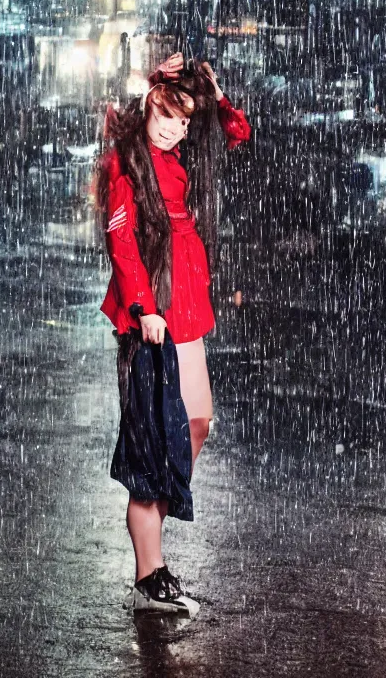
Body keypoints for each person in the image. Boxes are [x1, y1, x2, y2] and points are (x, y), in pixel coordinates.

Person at [98, 52, 251, 615]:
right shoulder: (127, 161)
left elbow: (237, 130)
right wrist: (143, 306)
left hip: (188, 298)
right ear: (147, 105)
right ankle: (149, 568)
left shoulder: (184, 154)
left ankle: (156, 526)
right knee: (152, 441)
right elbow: (123, 242)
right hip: (155, 308)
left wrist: (206, 88)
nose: (173, 127)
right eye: (166, 114)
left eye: (183, 121)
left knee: (197, 421)